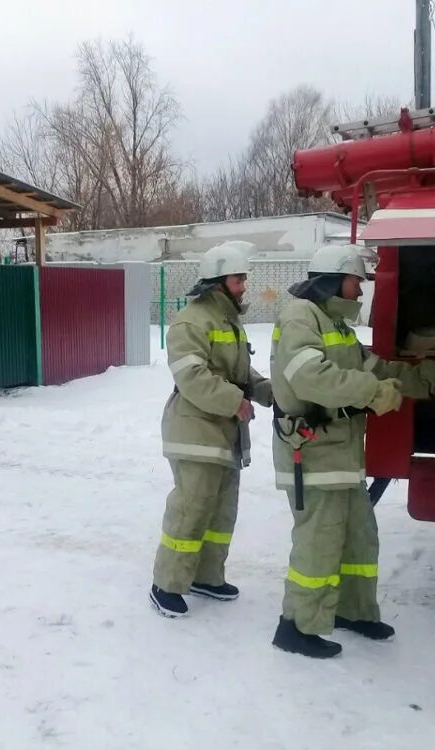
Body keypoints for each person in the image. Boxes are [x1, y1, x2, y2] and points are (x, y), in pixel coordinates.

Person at [269, 244, 435, 658]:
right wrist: (372, 393)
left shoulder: (335, 324)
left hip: (341, 455)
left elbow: (375, 369)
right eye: (355, 282)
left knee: (360, 539)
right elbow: (309, 376)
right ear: (332, 280)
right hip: (313, 455)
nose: (360, 290)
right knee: (318, 542)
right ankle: (296, 626)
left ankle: (353, 611)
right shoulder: (300, 316)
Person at [150, 241, 273, 618]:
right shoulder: (192, 320)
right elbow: (192, 376)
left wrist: (271, 393)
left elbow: (240, 374)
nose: (244, 286)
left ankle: (207, 576)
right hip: (195, 430)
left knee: (221, 511)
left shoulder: (226, 321)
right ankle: (167, 584)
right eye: (239, 279)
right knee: (191, 509)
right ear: (219, 281)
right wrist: (234, 402)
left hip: (222, 433)